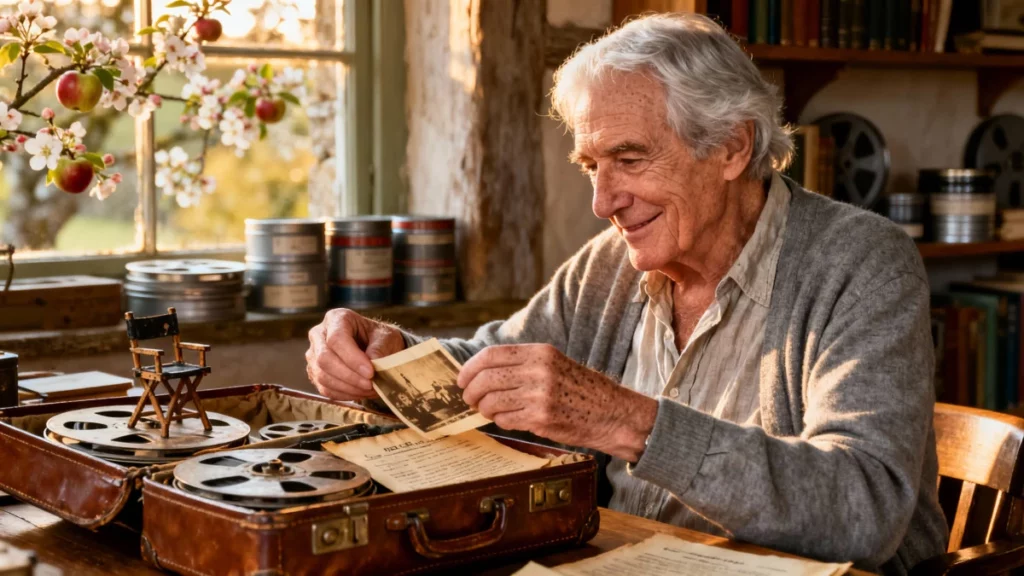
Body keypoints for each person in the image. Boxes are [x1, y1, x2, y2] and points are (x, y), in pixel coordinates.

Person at [305, 12, 947, 574]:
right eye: (591, 165)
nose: (601, 201)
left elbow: (865, 508)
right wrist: (387, 358)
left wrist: (625, 420)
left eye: (630, 160)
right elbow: (490, 362)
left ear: (731, 146)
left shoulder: (862, 262)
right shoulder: (612, 265)